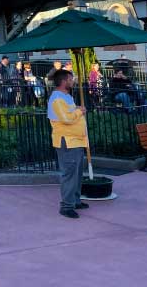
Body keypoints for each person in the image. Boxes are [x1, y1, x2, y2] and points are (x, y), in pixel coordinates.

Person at [47, 69, 88, 219]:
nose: (73, 82)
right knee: (69, 174)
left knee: (76, 173)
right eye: (71, 79)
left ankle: (75, 200)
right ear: (64, 81)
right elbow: (66, 118)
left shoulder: (66, 97)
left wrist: (77, 109)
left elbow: (70, 112)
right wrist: (80, 112)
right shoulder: (58, 99)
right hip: (67, 141)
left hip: (75, 140)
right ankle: (66, 206)